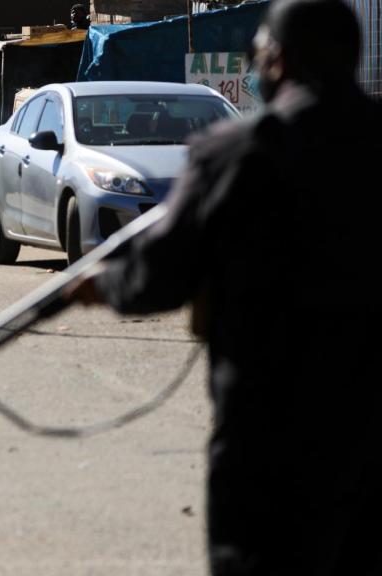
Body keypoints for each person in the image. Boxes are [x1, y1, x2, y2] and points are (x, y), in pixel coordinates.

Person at [68, 1, 381, 574]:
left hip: (268, 435)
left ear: (278, 60)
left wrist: (103, 285)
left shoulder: (233, 153)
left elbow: (158, 278)